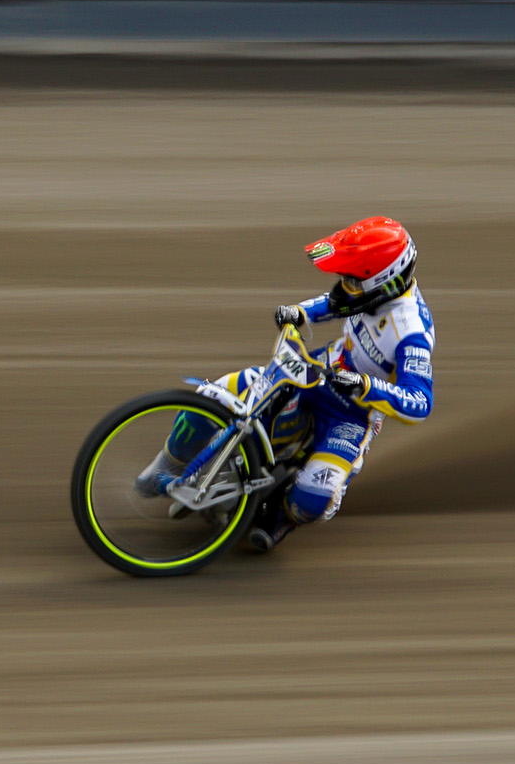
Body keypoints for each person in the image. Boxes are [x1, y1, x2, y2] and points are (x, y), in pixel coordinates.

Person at [137, 216, 434, 553]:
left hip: (351, 416)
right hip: (316, 373)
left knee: (314, 499)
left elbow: (419, 402)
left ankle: (282, 516)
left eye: (351, 279)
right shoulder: (373, 292)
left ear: (381, 282)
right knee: (218, 395)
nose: (343, 284)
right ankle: (165, 464)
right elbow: (337, 302)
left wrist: (363, 386)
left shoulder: (411, 334)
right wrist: (300, 312)